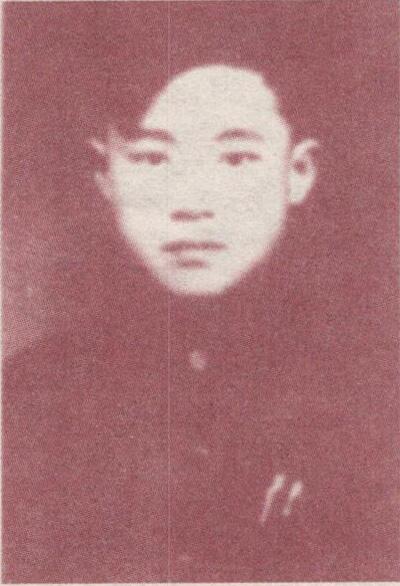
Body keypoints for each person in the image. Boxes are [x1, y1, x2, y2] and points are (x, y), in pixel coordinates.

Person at [3, 63, 398, 583]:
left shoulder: (377, 388)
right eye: (152, 157)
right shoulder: (30, 397)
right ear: (104, 173)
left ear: (298, 171)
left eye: (236, 158)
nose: (191, 202)